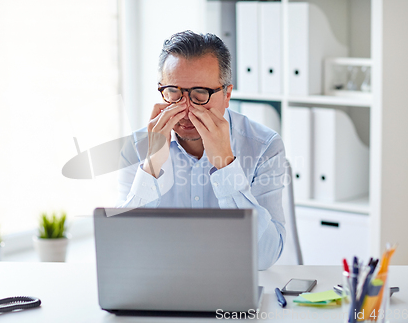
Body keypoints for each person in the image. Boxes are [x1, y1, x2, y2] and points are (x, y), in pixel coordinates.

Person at [117, 30, 286, 270]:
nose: (185, 109)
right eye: (174, 93)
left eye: (200, 95)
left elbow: (265, 258)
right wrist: (151, 167)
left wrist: (226, 165)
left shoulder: (264, 146)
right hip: (162, 286)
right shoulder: (135, 147)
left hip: (232, 283)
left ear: (227, 95)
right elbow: (121, 247)